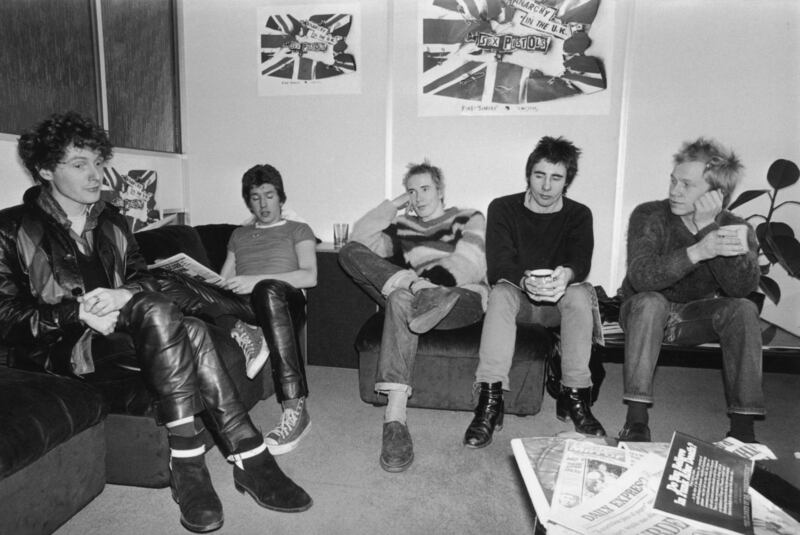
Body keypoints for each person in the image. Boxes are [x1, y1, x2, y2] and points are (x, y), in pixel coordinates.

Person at [0, 112, 312, 534]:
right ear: (44, 169)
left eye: (97, 162)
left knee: (182, 320)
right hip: (67, 348)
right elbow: (6, 317)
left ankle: (189, 460)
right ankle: (247, 456)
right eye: (79, 164)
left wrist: (123, 295)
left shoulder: (111, 220)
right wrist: (77, 312)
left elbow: (143, 276)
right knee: (190, 327)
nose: (95, 175)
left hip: (134, 332)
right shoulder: (11, 227)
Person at [157, 164, 316, 456]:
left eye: (269, 195)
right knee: (167, 280)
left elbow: (309, 276)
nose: (263, 203)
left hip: (282, 300)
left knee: (267, 289)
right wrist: (202, 282)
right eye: (255, 197)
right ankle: (247, 332)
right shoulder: (239, 235)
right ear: (248, 200)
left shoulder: (298, 230)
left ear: (281, 197)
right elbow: (224, 279)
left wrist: (254, 281)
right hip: (244, 306)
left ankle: (296, 408)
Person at [338, 161, 487, 472]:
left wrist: (432, 285)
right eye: (411, 192)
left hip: (461, 298)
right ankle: (395, 422)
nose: (418, 197)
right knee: (350, 255)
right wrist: (393, 206)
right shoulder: (403, 228)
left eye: (425, 189)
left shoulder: (469, 217)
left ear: (441, 190)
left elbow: (470, 261)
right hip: (417, 300)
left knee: (401, 296)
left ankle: (394, 414)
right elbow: (360, 238)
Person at [617, 137, 764, 443]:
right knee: (651, 302)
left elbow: (741, 287)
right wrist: (697, 251)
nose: (674, 190)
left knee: (744, 310)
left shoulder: (734, 226)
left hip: (691, 317)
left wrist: (709, 227)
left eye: (686, 185)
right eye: (673, 181)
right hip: (642, 308)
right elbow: (642, 277)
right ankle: (636, 422)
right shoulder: (649, 214)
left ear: (715, 194)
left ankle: (743, 432)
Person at [463, 136, 606, 449]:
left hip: (559, 301)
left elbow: (580, 261)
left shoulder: (579, 214)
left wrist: (565, 276)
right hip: (518, 297)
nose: (546, 186)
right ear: (528, 174)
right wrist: (525, 282)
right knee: (500, 292)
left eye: (556, 178)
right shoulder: (502, 208)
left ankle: (577, 398)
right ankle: (489, 402)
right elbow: (498, 264)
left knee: (581, 294)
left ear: (567, 181)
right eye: (539, 175)